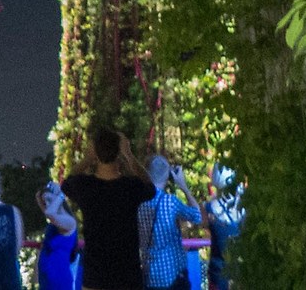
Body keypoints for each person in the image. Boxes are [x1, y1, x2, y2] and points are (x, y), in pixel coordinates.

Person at [60, 124, 153, 290]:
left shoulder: (85, 187)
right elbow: (150, 188)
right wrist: (129, 155)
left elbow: (66, 184)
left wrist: (88, 158)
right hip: (128, 278)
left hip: (95, 278)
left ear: (95, 152)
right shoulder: (130, 187)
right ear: (119, 154)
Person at [135, 156, 201, 290]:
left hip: (150, 276)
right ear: (168, 175)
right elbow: (197, 216)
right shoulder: (169, 202)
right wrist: (183, 187)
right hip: (173, 276)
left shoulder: (137, 203)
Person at [203, 165, 243, 290]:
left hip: (217, 274)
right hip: (239, 272)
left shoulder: (209, 208)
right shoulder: (244, 207)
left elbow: (198, 222)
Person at [36, 180, 80, 290]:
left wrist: (60, 195)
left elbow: (49, 213)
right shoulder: (55, 222)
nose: (47, 204)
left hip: (59, 280)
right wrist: (47, 193)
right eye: (45, 202)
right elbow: (38, 196)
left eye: (50, 200)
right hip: (46, 279)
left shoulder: (69, 221)